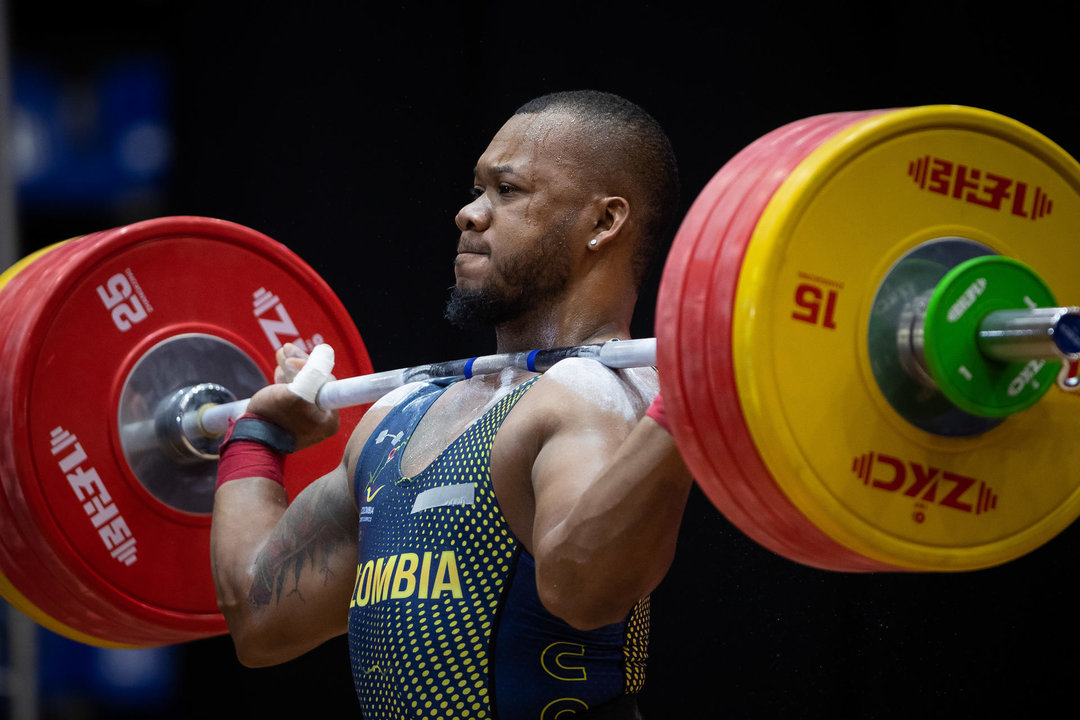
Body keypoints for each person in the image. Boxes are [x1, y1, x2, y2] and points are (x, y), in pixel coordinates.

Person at [210, 89, 693, 719]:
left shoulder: (591, 401)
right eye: (476, 190)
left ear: (603, 224)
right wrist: (259, 433)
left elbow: (583, 591)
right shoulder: (399, 417)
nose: (469, 214)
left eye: (507, 191)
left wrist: (686, 402)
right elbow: (258, 619)